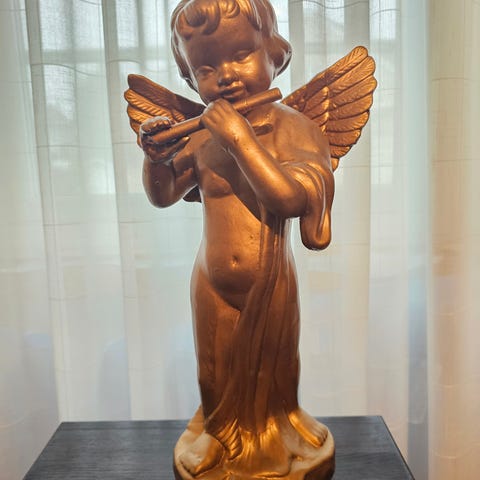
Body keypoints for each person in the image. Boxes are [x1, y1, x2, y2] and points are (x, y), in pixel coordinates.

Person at [139, 0, 335, 477]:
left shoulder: (295, 128)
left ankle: (276, 428)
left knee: (274, 366)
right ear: (190, 78)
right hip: (211, 279)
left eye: (241, 54)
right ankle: (218, 432)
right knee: (214, 367)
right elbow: (163, 195)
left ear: (275, 53)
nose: (225, 76)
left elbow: (290, 199)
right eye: (206, 68)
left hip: (269, 281)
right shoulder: (201, 137)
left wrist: (239, 140)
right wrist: (155, 159)